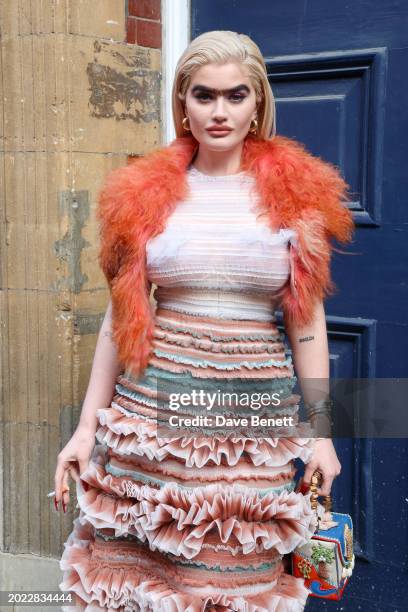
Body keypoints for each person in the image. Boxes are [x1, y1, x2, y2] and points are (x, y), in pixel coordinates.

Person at [54, 30, 354, 611]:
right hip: (153, 419)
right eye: (204, 96)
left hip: (251, 424)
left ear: (258, 103)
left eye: (236, 96)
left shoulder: (299, 196)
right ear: (182, 103)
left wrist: (322, 435)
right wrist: (87, 429)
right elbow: (121, 322)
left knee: (230, 582)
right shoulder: (140, 195)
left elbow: (308, 326)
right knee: (151, 580)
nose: (220, 112)